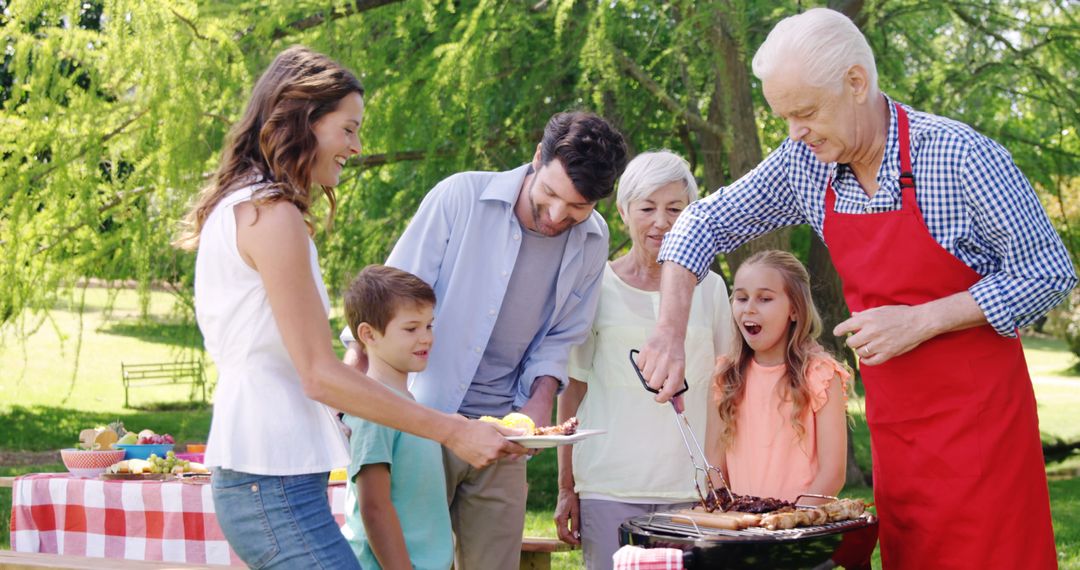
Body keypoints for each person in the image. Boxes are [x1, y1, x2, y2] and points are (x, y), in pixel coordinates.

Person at [635, 8, 1073, 569]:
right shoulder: (806, 165)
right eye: (784, 117)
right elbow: (700, 223)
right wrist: (670, 330)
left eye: (806, 112)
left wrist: (920, 320)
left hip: (982, 431)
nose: (795, 132)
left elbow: (1048, 270)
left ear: (856, 83)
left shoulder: (960, 156)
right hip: (899, 435)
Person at [176, 46, 521, 570]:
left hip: (268, 475)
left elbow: (301, 365)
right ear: (304, 121)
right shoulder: (271, 215)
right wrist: (453, 430)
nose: (357, 147)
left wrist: (356, 377)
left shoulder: (246, 206)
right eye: (348, 128)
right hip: (270, 480)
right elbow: (318, 375)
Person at [341, 111, 629, 569]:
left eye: (577, 208)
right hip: (420, 420)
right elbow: (387, 301)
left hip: (504, 434)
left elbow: (560, 337)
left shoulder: (594, 241)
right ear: (538, 157)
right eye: (551, 194)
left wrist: (536, 411)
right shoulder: (460, 196)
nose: (557, 217)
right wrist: (352, 397)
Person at [552, 150, 731, 569]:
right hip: (608, 488)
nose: (661, 222)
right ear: (623, 211)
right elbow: (573, 391)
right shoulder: (596, 288)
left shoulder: (713, 289)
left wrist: (719, 478)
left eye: (675, 209)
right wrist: (567, 487)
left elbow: (725, 391)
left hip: (693, 493)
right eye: (647, 208)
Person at [706, 250, 848, 503]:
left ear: (794, 309)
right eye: (741, 298)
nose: (749, 309)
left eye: (764, 299)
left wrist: (786, 523)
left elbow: (832, 475)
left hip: (798, 530)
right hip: (743, 531)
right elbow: (715, 471)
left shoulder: (820, 375)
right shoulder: (724, 377)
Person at [340, 265, 452, 570]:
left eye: (429, 326)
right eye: (411, 328)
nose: (426, 338)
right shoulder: (373, 411)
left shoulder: (405, 404)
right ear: (368, 334)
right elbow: (374, 506)